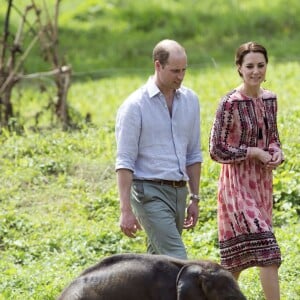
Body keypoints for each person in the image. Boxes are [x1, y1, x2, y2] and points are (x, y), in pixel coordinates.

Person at [209, 41, 284, 300]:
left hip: (261, 183)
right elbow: (216, 149)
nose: (256, 71)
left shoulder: (271, 99)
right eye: (249, 66)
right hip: (236, 185)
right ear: (239, 68)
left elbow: (273, 137)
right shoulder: (229, 103)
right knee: (268, 249)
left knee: (235, 262)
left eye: (260, 65)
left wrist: (276, 152)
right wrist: (252, 152)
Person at [115, 39, 203, 259]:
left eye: (184, 70)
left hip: (179, 192)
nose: (180, 76)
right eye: (175, 71)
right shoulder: (134, 106)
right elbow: (125, 161)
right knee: (177, 260)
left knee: (158, 266)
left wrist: (195, 197)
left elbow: (193, 154)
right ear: (158, 65)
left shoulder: (191, 101)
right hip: (149, 193)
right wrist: (125, 210)